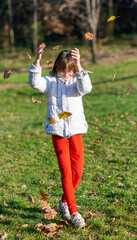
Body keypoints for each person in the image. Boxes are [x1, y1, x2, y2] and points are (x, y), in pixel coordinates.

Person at [29, 43, 92, 229]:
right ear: (57, 68)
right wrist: (37, 61)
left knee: (78, 171)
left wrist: (79, 66)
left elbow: (86, 88)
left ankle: (64, 201)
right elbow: (34, 83)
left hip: (76, 130)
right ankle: (73, 212)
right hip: (58, 133)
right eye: (63, 71)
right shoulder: (49, 82)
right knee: (66, 173)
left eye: (70, 71)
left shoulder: (76, 82)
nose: (66, 75)